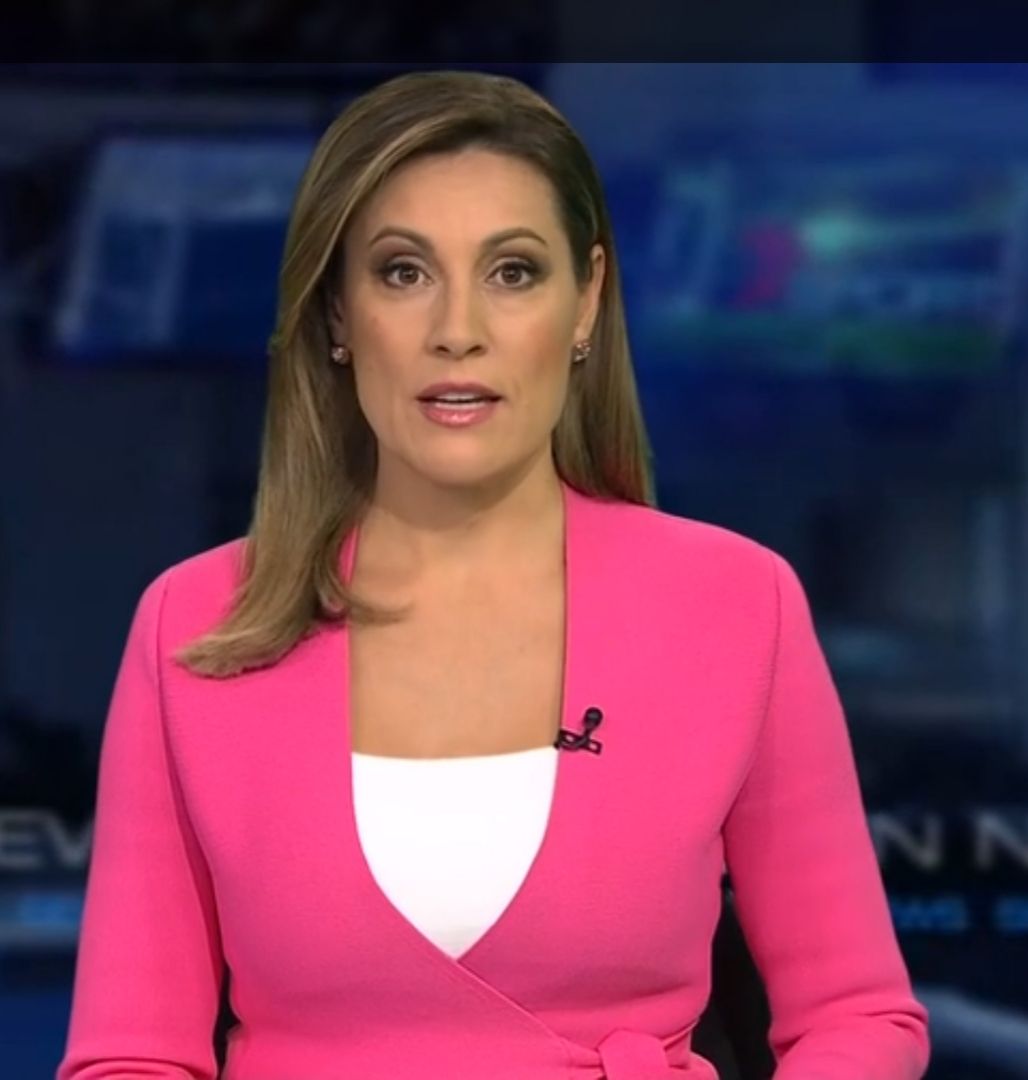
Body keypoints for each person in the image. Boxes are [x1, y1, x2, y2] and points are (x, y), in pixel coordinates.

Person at [56, 69, 931, 1079]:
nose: (457, 328)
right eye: (402, 272)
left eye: (512, 272)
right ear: (336, 312)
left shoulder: (737, 606)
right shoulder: (193, 625)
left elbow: (859, 1016)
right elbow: (130, 1057)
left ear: (585, 300)